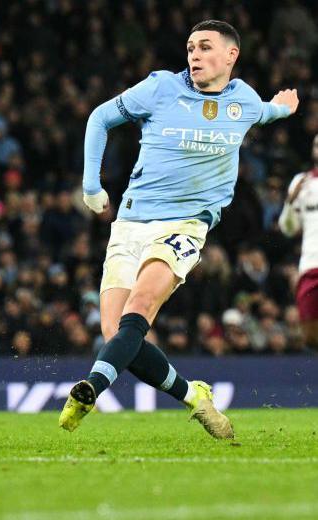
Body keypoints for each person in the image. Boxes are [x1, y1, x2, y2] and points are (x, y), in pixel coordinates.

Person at [60, 20, 298, 438]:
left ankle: (90, 388)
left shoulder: (242, 100)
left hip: (186, 226)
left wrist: (285, 107)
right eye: (190, 47)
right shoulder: (161, 88)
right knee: (116, 334)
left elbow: (266, 111)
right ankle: (194, 396)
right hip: (131, 222)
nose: (194, 55)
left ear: (231, 55)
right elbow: (99, 118)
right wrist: (91, 185)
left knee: (142, 306)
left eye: (205, 47)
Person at [279, 134, 318, 349]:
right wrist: (289, 202)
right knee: (311, 337)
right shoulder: (301, 183)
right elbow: (288, 228)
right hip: (310, 265)